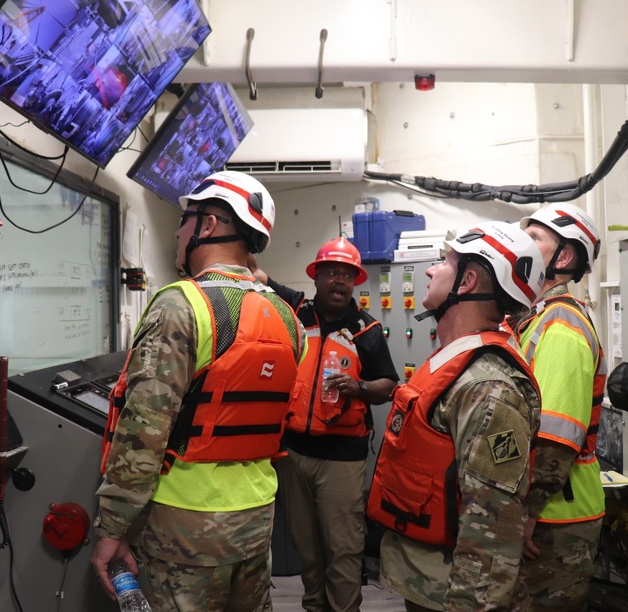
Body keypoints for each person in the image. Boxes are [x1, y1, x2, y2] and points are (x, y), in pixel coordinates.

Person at [91, 172, 306, 612]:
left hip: (181, 528)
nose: (176, 231)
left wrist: (112, 529)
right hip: (255, 521)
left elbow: (143, 437)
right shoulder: (288, 318)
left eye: (184, 219)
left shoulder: (181, 305)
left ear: (208, 225)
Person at [366, 221, 547, 611]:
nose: (431, 270)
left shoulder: (490, 388)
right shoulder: (456, 363)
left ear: (466, 281)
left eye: (442, 262)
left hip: (456, 595)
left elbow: (493, 531)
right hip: (429, 584)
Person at [251, 237, 399, 612]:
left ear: (355, 283)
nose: (339, 281)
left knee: (343, 550)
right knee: (308, 550)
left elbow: (388, 384)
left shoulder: (366, 329)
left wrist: (359, 388)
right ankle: (314, 607)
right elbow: (257, 274)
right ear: (315, 277)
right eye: (332, 272)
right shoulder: (296, 310)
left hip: (342, 462)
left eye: (347, 275)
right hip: (294, 454)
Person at [510, 204, 606, 611]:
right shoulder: (536, 320)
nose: (521, 246)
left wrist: (528, 513)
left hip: (556, 514)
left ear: (563, 258)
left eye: (534, 239)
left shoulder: (561, 327)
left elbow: (556, 438)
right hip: (548, 510)